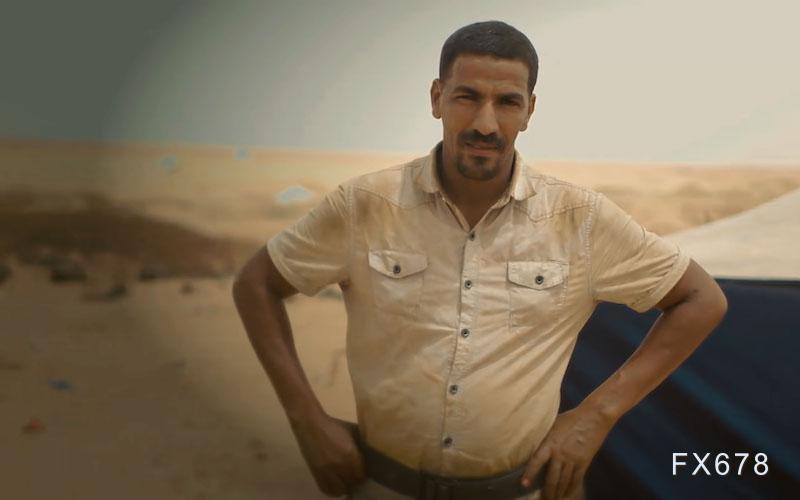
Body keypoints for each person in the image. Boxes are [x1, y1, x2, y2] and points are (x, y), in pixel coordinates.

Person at [232, 20, 728, 500]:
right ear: (436, 98)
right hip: (381, 486)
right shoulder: (365, 206)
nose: (485, 124)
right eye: (467, 97)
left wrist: (597, 414)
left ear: (529, 110)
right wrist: (305, 419)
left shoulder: (579, 219)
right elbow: (257, 284)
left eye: (507, 102)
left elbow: (701, 299)